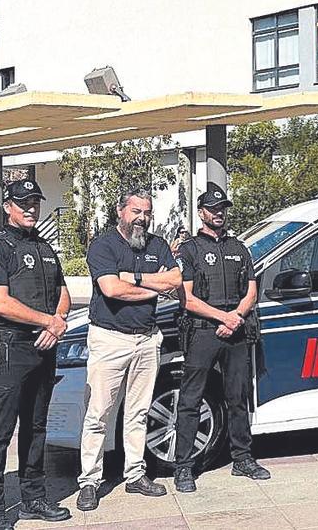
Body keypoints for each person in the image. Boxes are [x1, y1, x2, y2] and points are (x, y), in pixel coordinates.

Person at [0, 180, 72, 530]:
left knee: (36, 427)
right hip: (10, 347)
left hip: (45, 346)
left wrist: (56, 322)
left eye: (35, 202)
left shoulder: (44, 246)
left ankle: (33, 498)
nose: (30, 208)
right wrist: (48, 321)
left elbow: (62, 291)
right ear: (8, 207)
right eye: (23, 203)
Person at [76, 190, 182, 510]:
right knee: (98, 414)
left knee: (138, 413)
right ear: (120, 211)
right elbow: (111, 289)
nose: (142, 218)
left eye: (147, 212)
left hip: (147, 339)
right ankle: (89, 481)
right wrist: (154, 286)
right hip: (110, 340)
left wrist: (133, 278)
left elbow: (175, 280)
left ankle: (135, 474)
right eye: (136, 211)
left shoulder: (157, 245)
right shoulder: (103, 245)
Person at [173, 189, 271, 493]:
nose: (219, 212)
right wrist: (222, 318)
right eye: (213, 208)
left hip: (236, 331)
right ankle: (184, 466)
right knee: (190, 400)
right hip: (203, 332)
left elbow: (251, 292)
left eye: (222, 208)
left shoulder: (239, 248)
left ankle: (242, 458)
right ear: (201, 212)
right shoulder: (189, 250)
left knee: (238, 397)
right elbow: (186, 298)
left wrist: (236, 317)